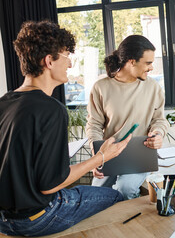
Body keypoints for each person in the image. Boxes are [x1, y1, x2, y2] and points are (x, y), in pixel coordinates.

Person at [0, 20, 131, 237]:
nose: (70, 64)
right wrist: (101, 157)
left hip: (3, 220)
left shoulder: (4, 102)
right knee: (115, 197)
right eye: (66, 56)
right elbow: (50, 185)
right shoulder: (51, 109)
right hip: (36, 219)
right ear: (49, 61)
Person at [86, 35, 169, 200]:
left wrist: (158, 134)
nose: (151, 68)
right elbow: (94, 125)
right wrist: (97, 156)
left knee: (125, 188)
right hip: (109, 155)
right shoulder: (101, 87)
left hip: (139, 155)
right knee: (95, 195)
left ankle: (133, 221)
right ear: (131, 61)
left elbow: (159, 120)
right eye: (148, 63)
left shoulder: (153, 87)